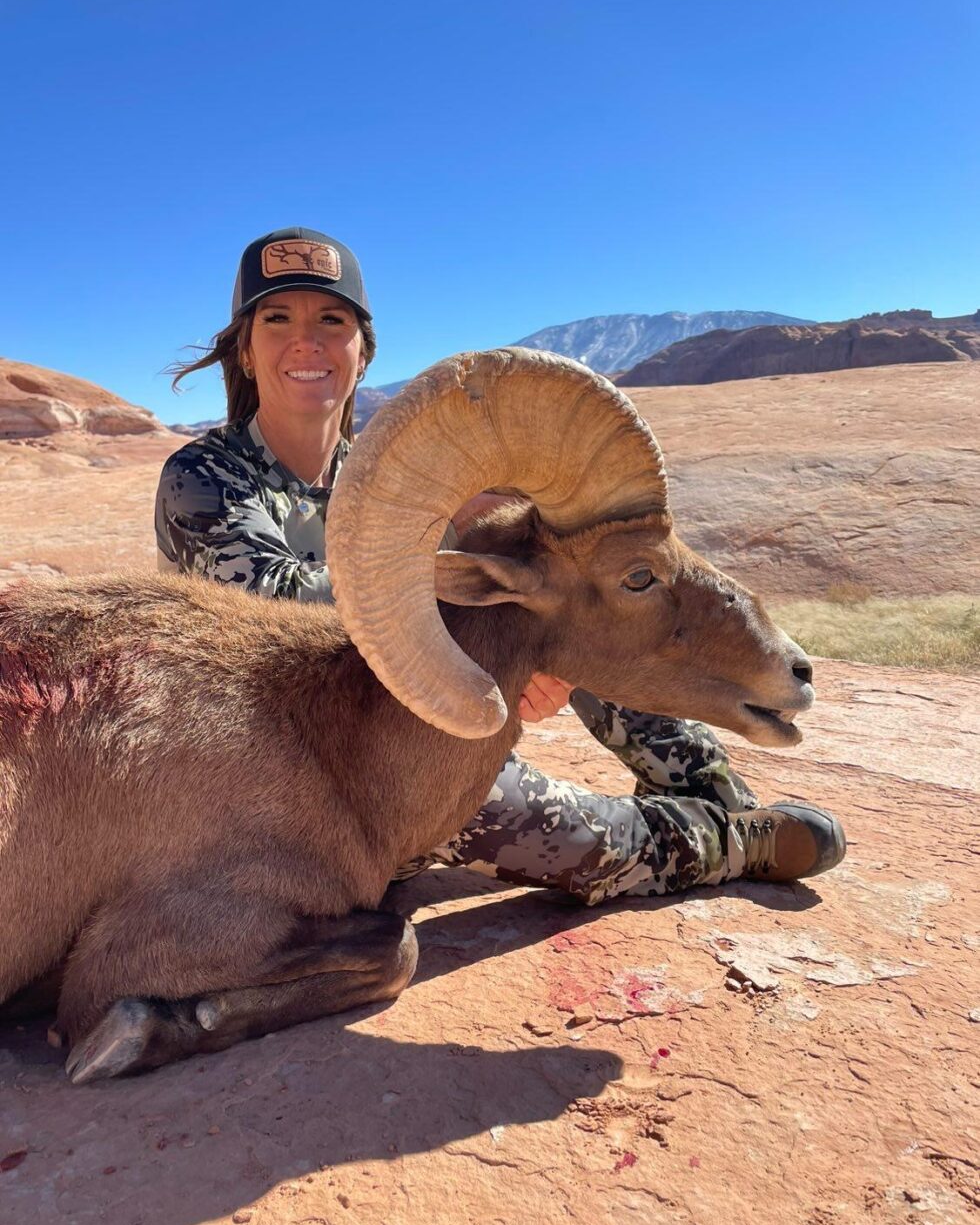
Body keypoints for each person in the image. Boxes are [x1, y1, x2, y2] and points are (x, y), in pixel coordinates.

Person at [156, 226, 845, 906]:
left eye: (332, 320)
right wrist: (497, 631)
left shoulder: (401, 477)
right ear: (245, 352)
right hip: (295, 767)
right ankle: (729, 843)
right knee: (566, 828)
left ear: (362, 352)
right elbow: (281, 615)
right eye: (277, 319)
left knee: (591, 593)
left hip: (415, 722)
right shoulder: (204, 477)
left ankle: (710, 786)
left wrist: (533, 586)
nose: (306, 340)